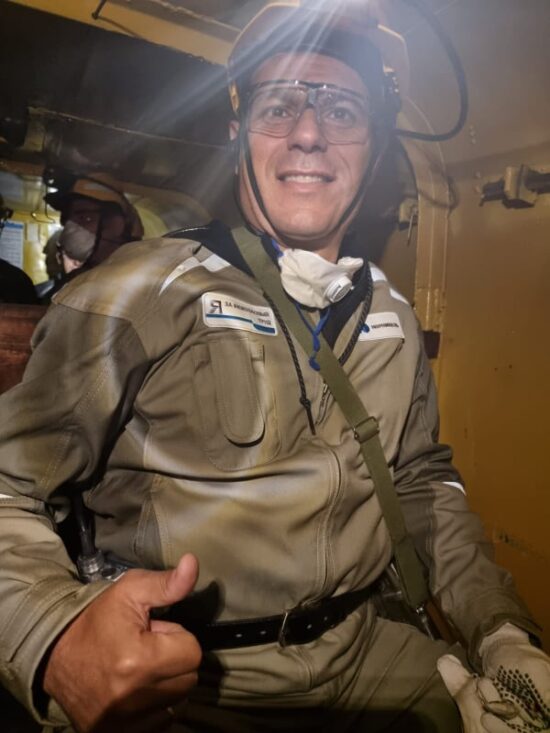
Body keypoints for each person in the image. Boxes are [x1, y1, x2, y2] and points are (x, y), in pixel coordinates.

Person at [0, 3, 548, 733]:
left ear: (375, 146)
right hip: (193, 678)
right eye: (280, 105)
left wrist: (500, 630)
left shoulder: (391, 311)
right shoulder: (135, 291)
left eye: (343, 110)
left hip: (366, 651)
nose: (309, 132)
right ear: (239, 134)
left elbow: (421, 484)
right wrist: (53, 634)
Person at [38, 171, 144, 301]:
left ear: (117, 224)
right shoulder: (73, 282)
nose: (69, 230)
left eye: (85, 218)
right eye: (67, 222)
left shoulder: (142, 287)